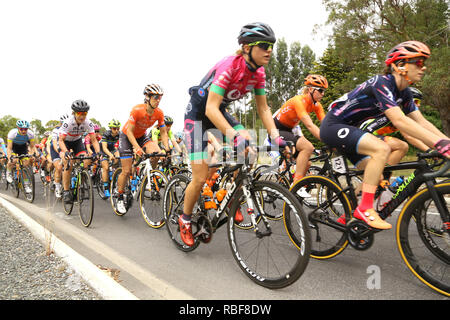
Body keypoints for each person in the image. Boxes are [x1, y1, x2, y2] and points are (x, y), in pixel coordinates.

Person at [321, 40, 450, 230]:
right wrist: (440, 144)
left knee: (378, 174)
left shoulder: (404, 93)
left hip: (354, 131)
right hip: (334, 125)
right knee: (382, 149)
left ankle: (350, 216)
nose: (424, 68)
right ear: (399, 66)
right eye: (419, 62)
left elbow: (421, 122)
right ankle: (364, 209)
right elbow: (400, 121)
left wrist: (445, 142)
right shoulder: (382, 83)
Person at [180, 22, 287, 246]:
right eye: (264, 45)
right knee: (199, 177)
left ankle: (233, 200)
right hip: (199, 115)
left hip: (218, 111)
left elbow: (264, 109)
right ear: (247, 47)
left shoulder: (258, 73)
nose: (269, 50)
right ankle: (185, 219)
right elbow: (210, 108)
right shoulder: (231, 66)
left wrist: (276, 137)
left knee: (249, 150)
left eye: (271, 46)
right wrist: (233, 135)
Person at [115, 84, 169, 214]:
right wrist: (137, 148)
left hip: (142, 136)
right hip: (127, 136)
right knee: (126, 171)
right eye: (155, 97)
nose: (158, 100)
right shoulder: (137, 110)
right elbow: (129, 132)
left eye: (160, 97)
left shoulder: (159, 113)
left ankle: (150, 174)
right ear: (147, 97)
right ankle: (120, 196)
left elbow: (163, 132)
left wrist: (166, 149)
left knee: (157, 153)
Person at [266, 74, 328, 185]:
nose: (322, 94)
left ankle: (294, 187)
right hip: (275, 129)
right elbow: (310, 126)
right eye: (320, 90)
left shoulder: (317, 105)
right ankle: (296, 184)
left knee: (307, 163)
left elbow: (326, 125)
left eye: (324, 91)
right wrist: (327, 140)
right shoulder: (298, 101)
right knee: (308, 147)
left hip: (288, 131)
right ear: (310, 89)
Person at [59, 100, 101, 203]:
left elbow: (94, 140)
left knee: (86, 161)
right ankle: (66, 191)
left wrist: (98, 152)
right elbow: (60, 141)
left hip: (77, 141)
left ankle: (79, 184)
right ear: (74, 113)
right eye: (79, 113)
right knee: (69, 163)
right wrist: (66, 152)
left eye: (84, 113)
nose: (82, 116)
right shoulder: (67, 122)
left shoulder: (88, 122)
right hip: (65, 142)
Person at [6, 120, 37, 193]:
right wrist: (9, 157)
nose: (23, 131)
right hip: (13, 147)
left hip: (23, 147)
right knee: (13, 161)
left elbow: (32, 147)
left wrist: (32, 155)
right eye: (21, 129)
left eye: (25, 129)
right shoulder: (12, 133)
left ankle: (26, 185)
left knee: (25, 164)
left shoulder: (30, 134)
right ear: (18, 128)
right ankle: (9, 172)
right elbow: (9, 148)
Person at [99, 119, 121, 198]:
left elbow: (119, 147)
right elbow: (104, 148)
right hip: (104, 150)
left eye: (118, 128)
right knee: (106, 167)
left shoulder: (119, 134)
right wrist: (109, 155)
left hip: (112, 149)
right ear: (111, 128)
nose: (116, 130)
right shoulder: (106, 134)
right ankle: (106, 188)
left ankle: (114, 173)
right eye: (114, 129)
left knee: (118, 156)